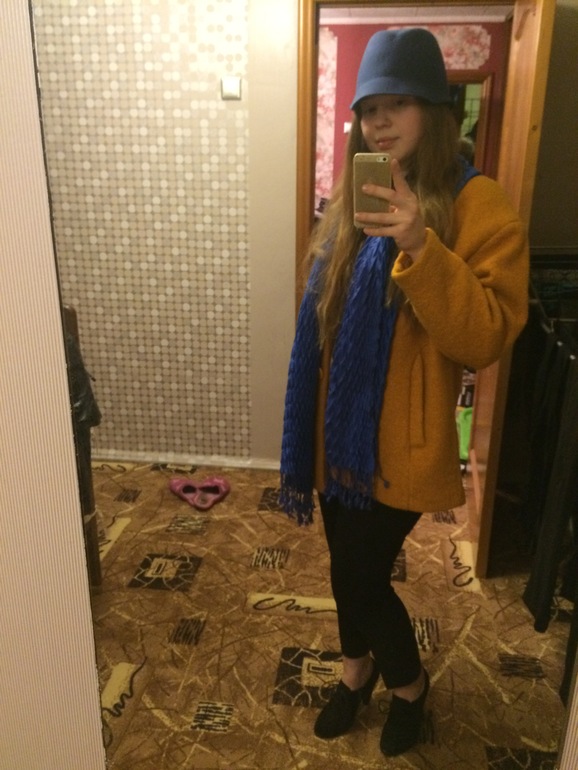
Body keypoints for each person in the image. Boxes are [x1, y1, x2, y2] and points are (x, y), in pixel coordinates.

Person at [279, 27, 529, 757]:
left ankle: (410, 686)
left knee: (361, 575)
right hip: (336, 427)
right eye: (367, 109)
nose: (379, 122)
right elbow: (326, 311)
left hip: (401, 439)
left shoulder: (479, 204)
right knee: (344, 567)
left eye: (397, 104)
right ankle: (355, 670)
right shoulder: (355, 195)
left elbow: (485, 336)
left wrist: (422, 245)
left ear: (434, 109)